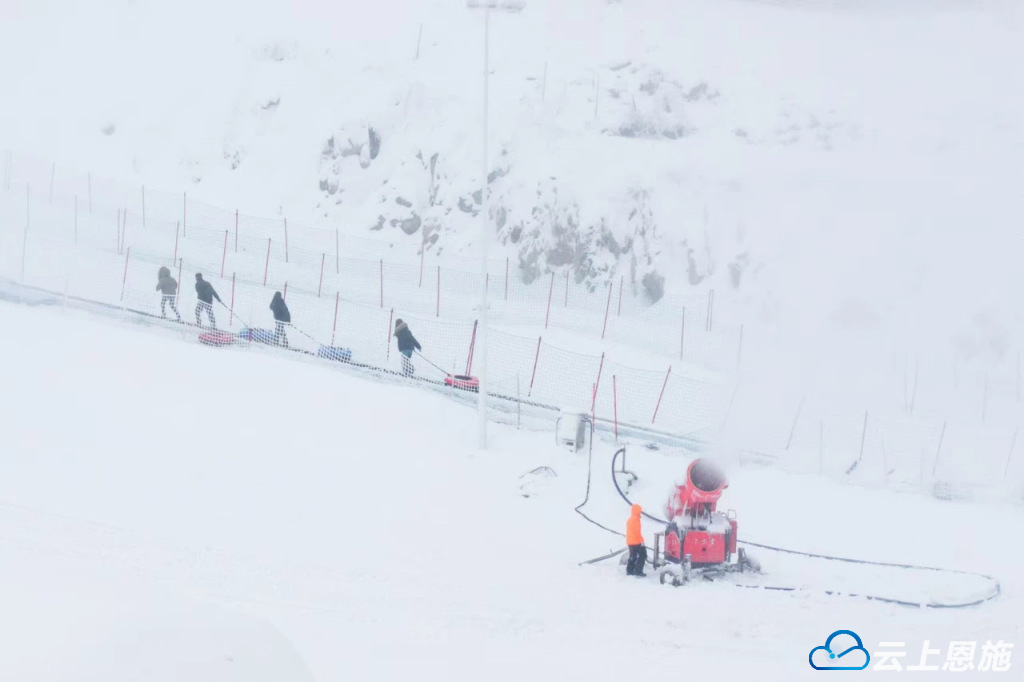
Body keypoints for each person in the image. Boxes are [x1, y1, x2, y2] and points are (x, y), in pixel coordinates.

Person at [626, 504, 647, 577]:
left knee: (633, 556)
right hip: (636, 542)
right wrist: (641, 541)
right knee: (643, 555)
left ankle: (629, 570)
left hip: (630, 541)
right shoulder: (636, 520)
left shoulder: (630, 519)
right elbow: (637, 532)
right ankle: (638, 571)